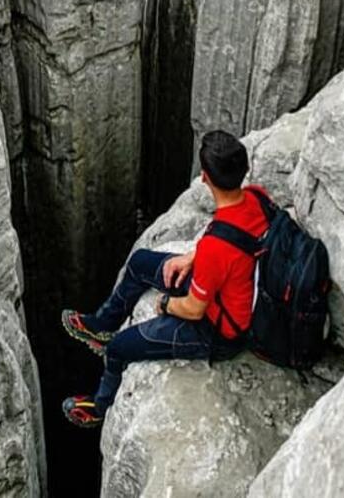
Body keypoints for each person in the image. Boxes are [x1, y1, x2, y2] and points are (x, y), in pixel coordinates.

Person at [60, 130, 271, 428]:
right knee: (141, 262)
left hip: (218, 332)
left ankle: (99, 407)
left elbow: (195, 309)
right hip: (222, 283)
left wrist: (166, 304)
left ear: (205, 178)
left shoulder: (216, 249)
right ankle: (102, 324)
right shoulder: (257, 197)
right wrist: (192, 257)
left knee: (119, 348)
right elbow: (238, 238)